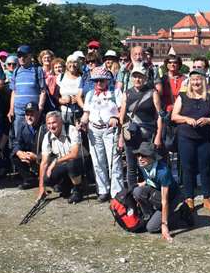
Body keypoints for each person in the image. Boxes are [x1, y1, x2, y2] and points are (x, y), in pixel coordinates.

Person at [172, 67, 210, 213]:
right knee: (187, 168)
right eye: (193, 80)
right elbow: (174, 116)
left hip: (204, 137)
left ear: (204, 81)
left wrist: (207, 119)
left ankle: (207, 198)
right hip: (186, 137)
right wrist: (186, 119)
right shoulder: (183, 96)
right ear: (189, 82)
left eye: (198, 79)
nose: (196, 82)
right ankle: (189, 198)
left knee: (205, 168)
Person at [118, 63, 164, 190]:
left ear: (145, 78)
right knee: (131, 166)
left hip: (147, 133)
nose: (137, 79)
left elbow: (160, 115)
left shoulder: (152, 93)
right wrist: (121, 137)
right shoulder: (126, 93)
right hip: (129, 132)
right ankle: (133, 194)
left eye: (140, 76)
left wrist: (158, 136)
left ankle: (149, 194)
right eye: (135, 76)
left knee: (147, 164)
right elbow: (122, 117)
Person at [132, 142, 191, 242]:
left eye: (144, 155)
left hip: (171, 197)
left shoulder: (163, 172)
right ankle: (149, 215)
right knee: (137, 191)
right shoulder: (143, 165)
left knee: (151, 228)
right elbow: (150, 178)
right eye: (138, 155)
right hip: (157, 193)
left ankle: (180, 214)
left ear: (152, 157)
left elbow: (165, 201)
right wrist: (142, 183)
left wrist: (164, 225)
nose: (140, 158)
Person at [81, 67, 122, 201]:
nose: (99, 83)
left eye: (102, 80)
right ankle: (103, 190)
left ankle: (117, 192)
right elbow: (86, 113)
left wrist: (116, 118)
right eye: (96, 80)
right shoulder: (90, 94)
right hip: (93, 130)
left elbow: (123, 111)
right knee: (98, 162)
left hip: (110, 130)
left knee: (113, 162)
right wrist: (81, 122)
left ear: (107, 80)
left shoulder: (115, 93)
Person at [39, 111, 85, 203]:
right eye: (49, 123)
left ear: (61, 122)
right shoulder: (47, 136)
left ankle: (78, 189)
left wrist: (55, 162)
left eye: (54, 123)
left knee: (71, 164)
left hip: (82, 162)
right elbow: (44, 162)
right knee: (46, 179)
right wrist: (41, 187)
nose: (51, 126)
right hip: (63, 164)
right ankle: (66, 185)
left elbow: (74, 154)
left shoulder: (71, 130)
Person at [8, 44, 44, 139]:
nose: (21, 58)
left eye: (24, 55)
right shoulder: (16, 71)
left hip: (33, 112)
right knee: (18, 139)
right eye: (19, 56)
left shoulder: (38, 70)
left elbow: (43, 91)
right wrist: (11, 110)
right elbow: (13, 92)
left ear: (30, 56)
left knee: (34, 140)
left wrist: (39, 110)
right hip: (18, 113)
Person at [10, 102, 43, 190]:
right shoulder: (23, 126)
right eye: (27, 114)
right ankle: (30, 179)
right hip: (30, 157)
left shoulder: (45, 127)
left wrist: (37, 157)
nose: (29, 117)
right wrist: (19, 152)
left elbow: (52, 150)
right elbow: (16, 142)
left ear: (38, 113)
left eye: (32, 114)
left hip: (43, 158)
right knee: (14, 156)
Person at [57, 55, 84, 134]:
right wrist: (63, 101)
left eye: (75, 62)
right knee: (65, 136)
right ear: (66, 64)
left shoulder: (82, 77)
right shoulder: (60, 77)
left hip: (79, 112)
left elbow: (87, 94)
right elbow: (55, 96)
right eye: (70, 62)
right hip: (64, 112)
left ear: (78, 64)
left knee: (79, 136)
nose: (72, 65)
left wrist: (79, 99)